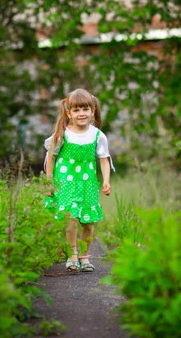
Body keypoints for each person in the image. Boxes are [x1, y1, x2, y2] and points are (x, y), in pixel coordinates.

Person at [44, 88, 114, 272]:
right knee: (71, 219)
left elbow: (104, 159)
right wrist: (48, 182)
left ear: (92, 111)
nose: (81, 114)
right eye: (76, 110)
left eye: (85, 109)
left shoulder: (98, 135)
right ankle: (72, 254)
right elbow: (50, 158)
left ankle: (84, 255)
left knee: (88, 223)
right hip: (66, 182)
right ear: (69, 113)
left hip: (88, 184)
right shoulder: (63, 134)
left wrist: (106, 180)